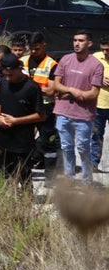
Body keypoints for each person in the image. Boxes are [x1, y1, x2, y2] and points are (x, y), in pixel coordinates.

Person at [53, 30, 104, 183]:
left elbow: (93, 93)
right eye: (75, 40)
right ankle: (69, 178)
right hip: (63, 112)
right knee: (66, 147)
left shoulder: (96, 65)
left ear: (89, 43)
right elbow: (57, 84)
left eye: (81, 40)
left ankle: (87, 181)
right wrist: (72, 90)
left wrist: (69, 93)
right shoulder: (66, 59)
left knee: (83, 148)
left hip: (83, 115)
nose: (76, 43)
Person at [0, 54, 46, 191]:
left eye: (11, 74)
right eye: (5, 74)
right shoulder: (4, 82)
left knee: (24, 173)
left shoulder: (32, 88)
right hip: (4, 136)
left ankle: (27, 201)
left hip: (22, 139)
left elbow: (41, 115)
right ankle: (10, 200)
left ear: (20, 68)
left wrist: (16, 121)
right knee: (6, 173)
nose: (8, 78)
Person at [20, 32, 59, 182]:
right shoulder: (22, 61)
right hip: (25, 107)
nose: (34, 52)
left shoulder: (51, 64)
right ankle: (24, 172)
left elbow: (51, 89)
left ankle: (50, 176)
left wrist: (30, 86)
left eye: (37, 48)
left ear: (44, 45)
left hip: (45, 108)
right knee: (24, 141)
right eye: (32, 48)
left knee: (48, 142)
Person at [91, 36, 109, 171]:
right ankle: (94, 164)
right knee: (96, 135)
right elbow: (86, 73)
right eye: (103, 49)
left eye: (108, 50)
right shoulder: (95, 57)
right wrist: (100, 78)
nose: (105, 53)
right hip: (98, 104)